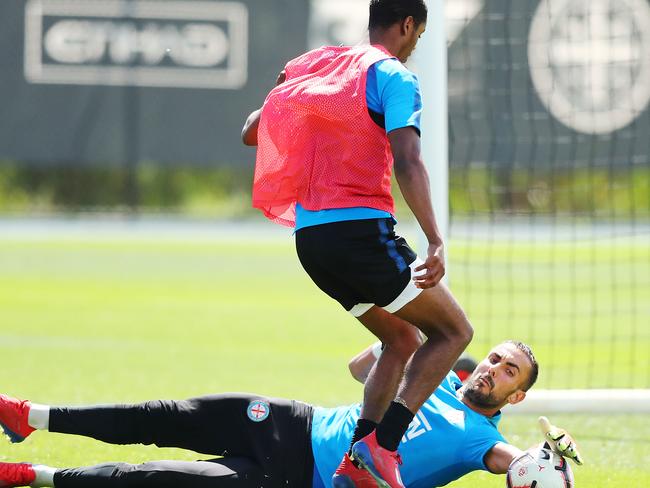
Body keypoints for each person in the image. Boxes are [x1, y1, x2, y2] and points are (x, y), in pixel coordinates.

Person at [242, 2, 473, 485]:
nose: (414, 49)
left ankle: (358, 461)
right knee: (454, 333)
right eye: (418, 37)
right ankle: (383, 444)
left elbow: (250, 132)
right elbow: (409, 160)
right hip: (360, 236)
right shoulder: (394, 77)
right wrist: (434, 239)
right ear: (408, 25)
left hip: (311, 241)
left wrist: (293, 94)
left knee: (401, 337)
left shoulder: (319, 67)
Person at [0, 341, 582, 488]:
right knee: (160, 415)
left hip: (293, 479)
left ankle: (33, 477)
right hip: (292, 422)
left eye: (508, 373)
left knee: (153, 479)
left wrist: (542, 462)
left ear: (517, 399)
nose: (493, 370)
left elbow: (516, 467)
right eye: (496, 359)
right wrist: (420, 343)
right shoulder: (434, 375)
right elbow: (359, 368)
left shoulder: (480, 439)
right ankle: (29, 415)